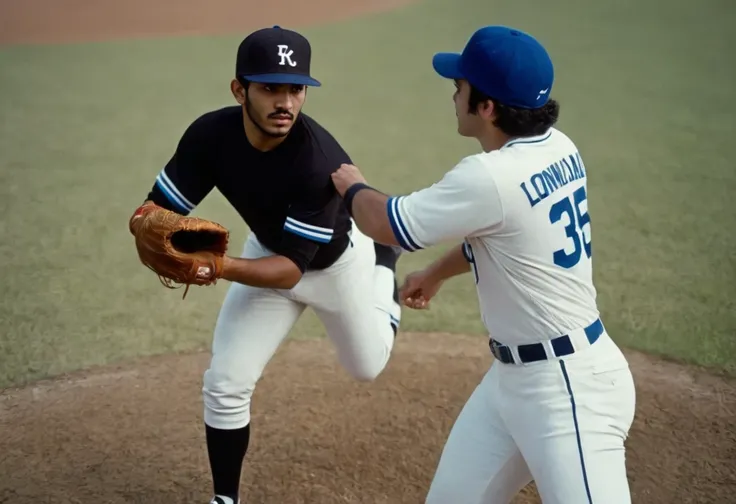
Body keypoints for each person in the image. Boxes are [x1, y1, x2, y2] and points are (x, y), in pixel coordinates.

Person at [331, 25, 637, 504]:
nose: (454, 94)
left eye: (461, 87)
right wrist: (433, 274)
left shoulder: (489, 177)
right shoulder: (560, 146)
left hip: (570, 393)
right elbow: (502, 239)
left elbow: (388, 225)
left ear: (487, 107)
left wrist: (351, 183)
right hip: (511, 384)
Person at [129, 26, 402, 504]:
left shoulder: (318, 162)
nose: (286, 102)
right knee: (226, 381)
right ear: (239, 90)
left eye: (295, 89)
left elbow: (292, 272)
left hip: (336, 269)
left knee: (367, 367)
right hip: (265, 255)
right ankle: (225, 499)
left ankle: (384, 262)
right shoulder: (210, 135)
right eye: (270, 87)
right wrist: (142, 222)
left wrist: (217, 266)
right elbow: (156, 208)